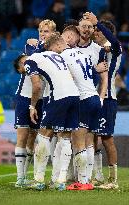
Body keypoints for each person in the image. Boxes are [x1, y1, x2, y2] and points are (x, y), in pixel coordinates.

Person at [45, 30, 108, 190]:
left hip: (83, 99)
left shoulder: (63, 57)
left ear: (59, 44)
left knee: (78, 142)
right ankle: (87, 180)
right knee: (88, 141)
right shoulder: (82, 54)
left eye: (53, 50)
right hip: (94, 97)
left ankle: (83, 182)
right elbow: (92, 75)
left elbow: (68, 78)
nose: (54, 54)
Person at [26, 50, 80, 191]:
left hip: (59, 96)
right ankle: (61, 181)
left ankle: (38, 179)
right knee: (66, 138)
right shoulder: (55, 56)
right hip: (74, 95)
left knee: (44, 135)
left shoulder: (31, 60)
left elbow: (37, 86)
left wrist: (32, 106)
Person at [14, 19, 56, 188]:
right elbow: (32, 57)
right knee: (23, 135)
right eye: (41, 31)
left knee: (36, 137)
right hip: (25, 96)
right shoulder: (30, 47)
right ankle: (20, 177)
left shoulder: (55, 50)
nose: (42, 34)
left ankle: (34, 175)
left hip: (42, 98)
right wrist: (38, 42)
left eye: (46, 32)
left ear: (53, 33)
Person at [84, 12, 122, 189]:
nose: (95, 33)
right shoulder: (94, 50)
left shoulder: (115, 48)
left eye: (98, 31)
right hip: (92, 97)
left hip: (108, 98)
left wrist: (97, 23)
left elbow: (113, 42)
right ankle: (96, 176)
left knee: (106, 138)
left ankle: (113, 180)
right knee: (91, 137)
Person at [76, 16, 107, 184]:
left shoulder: (98, 49)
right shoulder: (70, 48)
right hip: (73, 97)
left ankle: (86, 178)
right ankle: (79, 177)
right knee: (72, 137)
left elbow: (104, 77)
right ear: (78, 28)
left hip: (89, 97)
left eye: (89, 26)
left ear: (93, 30)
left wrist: (101, 96)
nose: (86, 29)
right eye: (84, 26)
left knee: (89, 137)